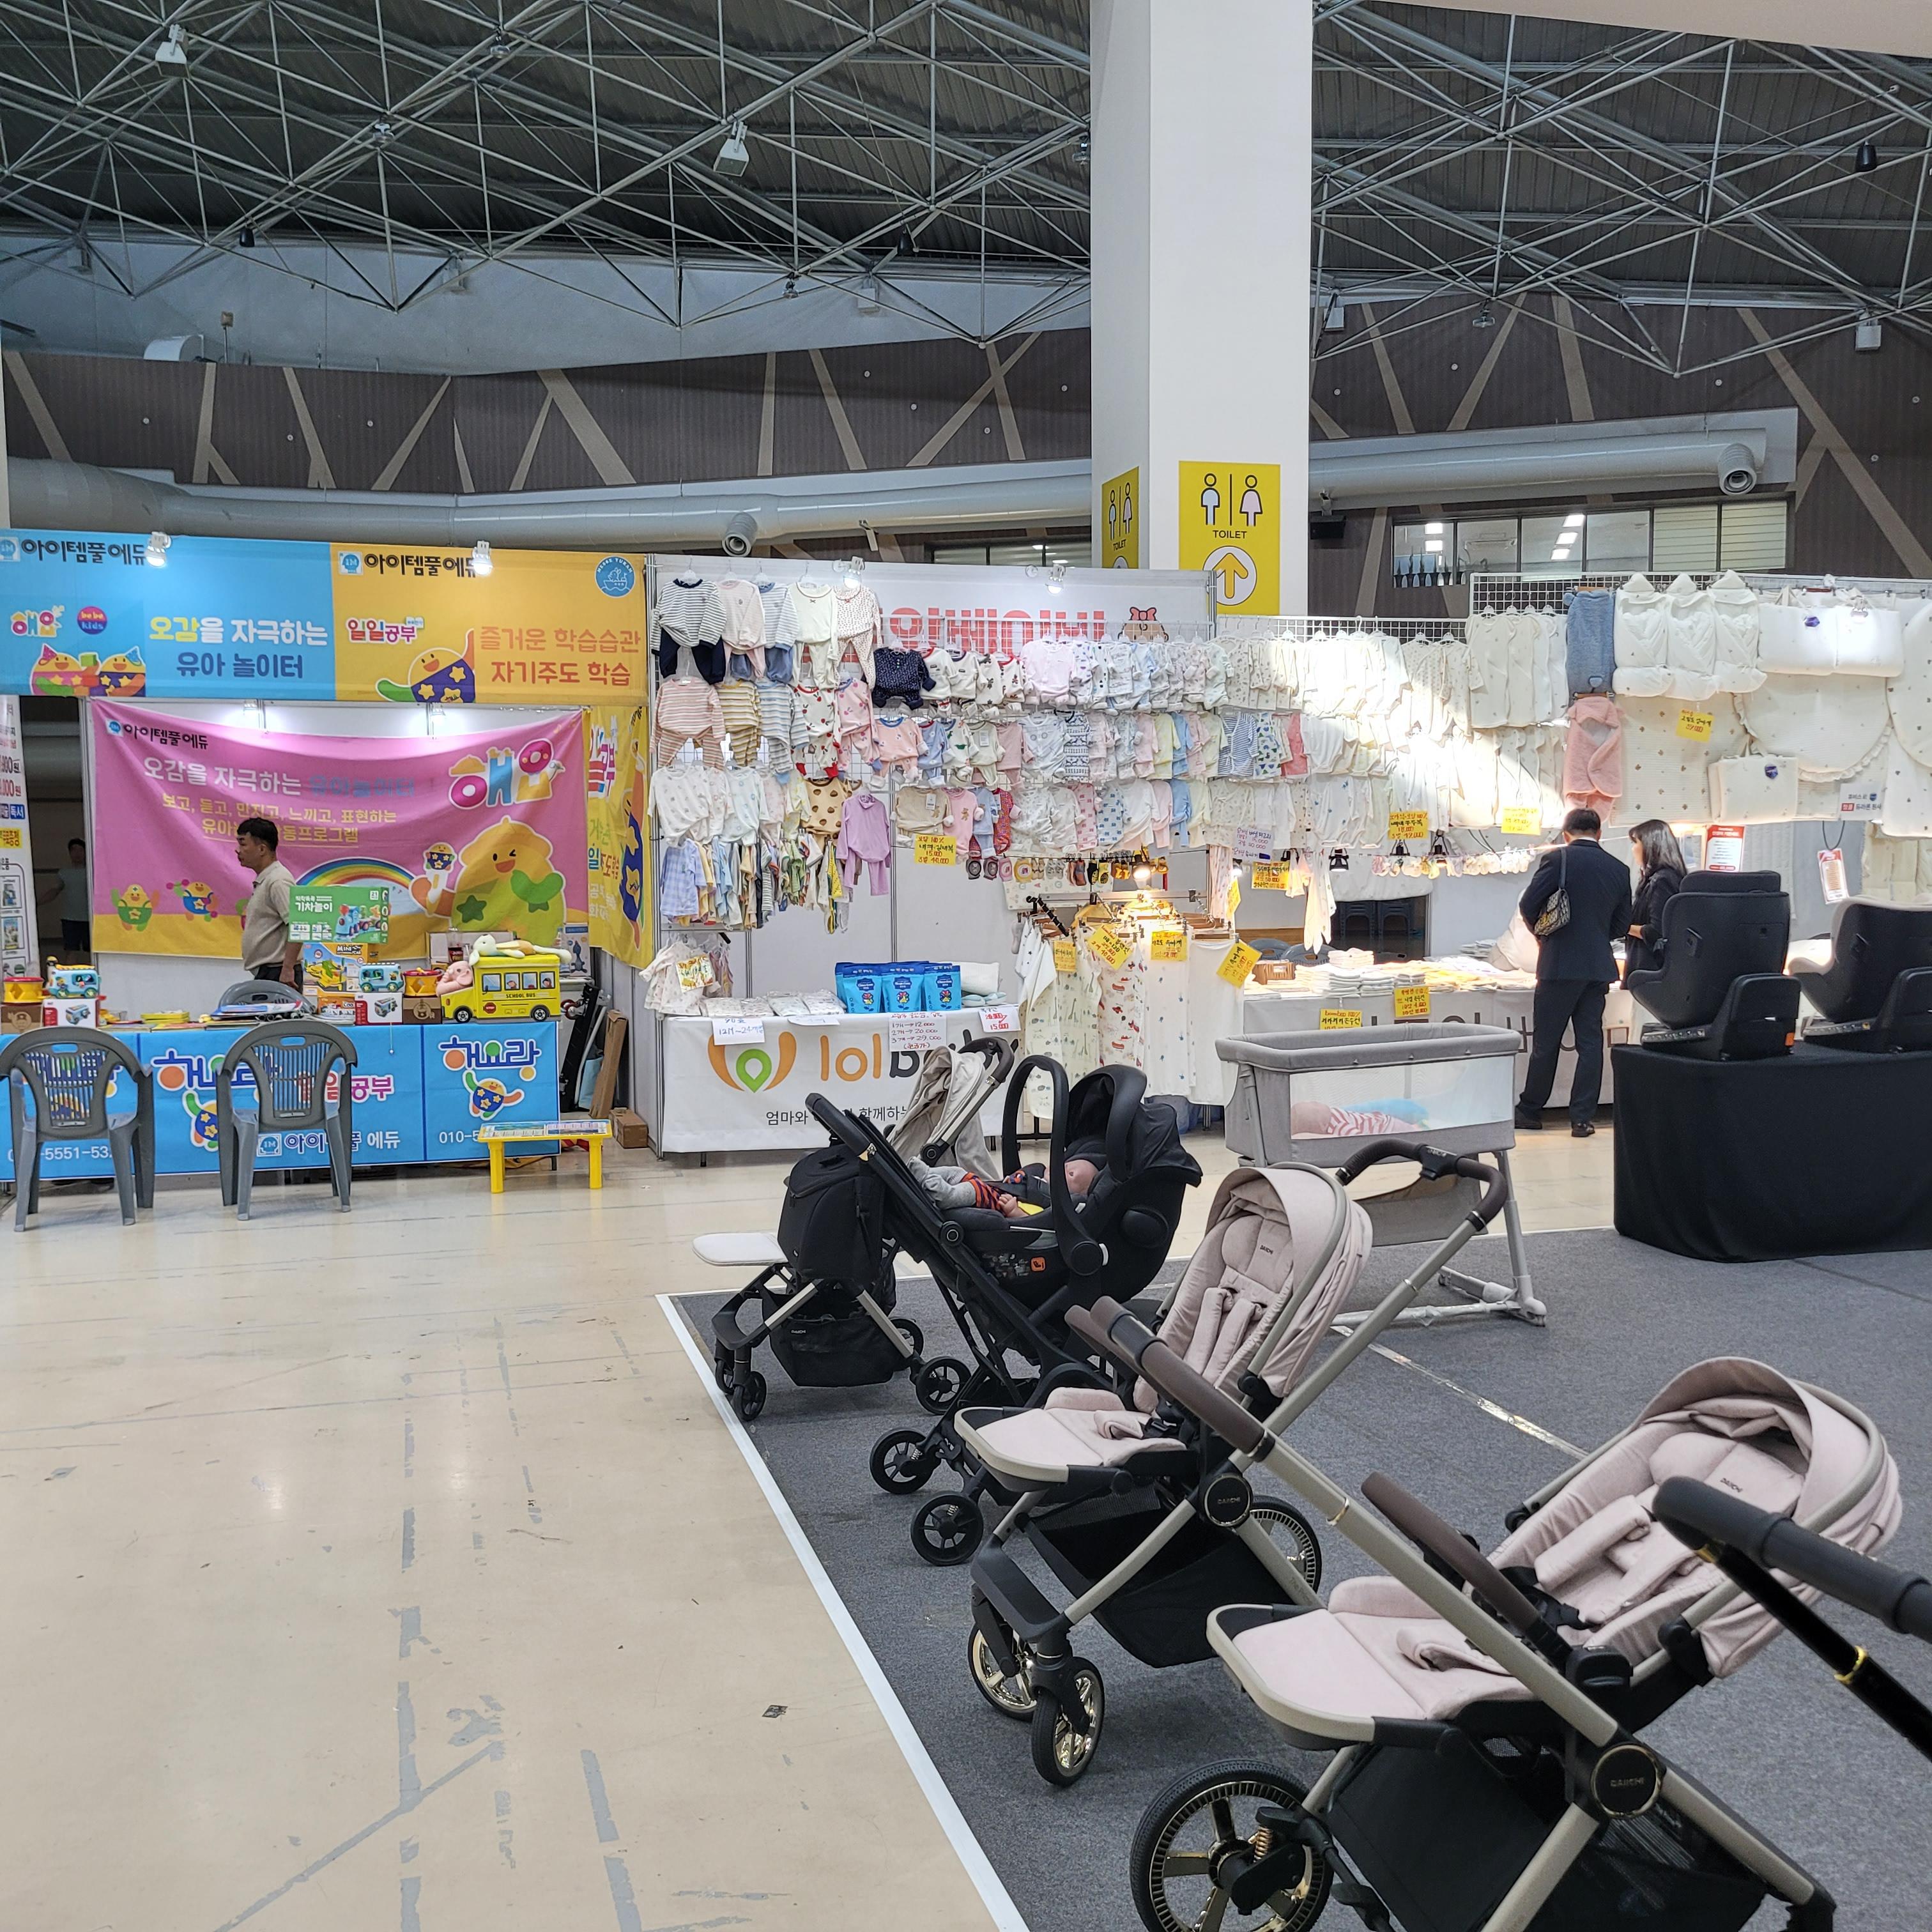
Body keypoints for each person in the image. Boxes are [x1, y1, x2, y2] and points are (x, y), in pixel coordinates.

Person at [1515, 806, 1632, 1138]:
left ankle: (1530, 1111)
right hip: (1598, 967)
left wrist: (1543, 934)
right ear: (1599, 833)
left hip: (1559, 964)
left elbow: (1528, 905)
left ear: (1566, 834)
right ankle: (1582, 1119)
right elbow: (1622, 924)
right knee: (1591, 1043)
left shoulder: (1557, 859)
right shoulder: (1619, 868)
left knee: (1547, 1042)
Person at [236, 816, 300, 985]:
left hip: (279, 973)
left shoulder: (278, 881)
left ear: (262, 849)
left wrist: (288, 969)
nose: (238, 851)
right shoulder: (267, 879)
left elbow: (297, 926)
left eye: (243, 844)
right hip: (270, 972)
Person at [1623, 818, 1687, 983]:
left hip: (1651, 971)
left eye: (1636, 843)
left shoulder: (1662, 880)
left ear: (1650, 846)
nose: (1633, 849)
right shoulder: (1661, 878)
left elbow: (1656, 931)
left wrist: (1622, 927)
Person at [37, 837, 91, 957]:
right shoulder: (64, 873)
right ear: (69, 853)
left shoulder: (92, 872)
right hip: (69, 919)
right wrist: (36, 903)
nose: (77, 853)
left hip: (90, 918)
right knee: (71, 951)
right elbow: (54, 891)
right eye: (74, 850)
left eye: (80, 850)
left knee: (92, 952)